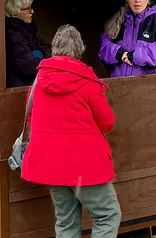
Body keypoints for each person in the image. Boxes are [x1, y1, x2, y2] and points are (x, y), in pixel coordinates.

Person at [21, 25, 121, 238]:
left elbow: (31, 120)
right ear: (80, 51)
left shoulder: (37, 84)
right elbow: (107, 123)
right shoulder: (88, 83)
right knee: (107, 215)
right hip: (85, 165)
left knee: (66, 222)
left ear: (54, 49)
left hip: (49, 164)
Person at [5, 0, 52, 88]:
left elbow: (49, 50)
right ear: (15, 12)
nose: (32, 12)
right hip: (19, 87)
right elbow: (26, 67)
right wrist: (41, 55)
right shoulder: (12, 33)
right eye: (28, 9)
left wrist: (39, 54)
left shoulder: (27, 31)